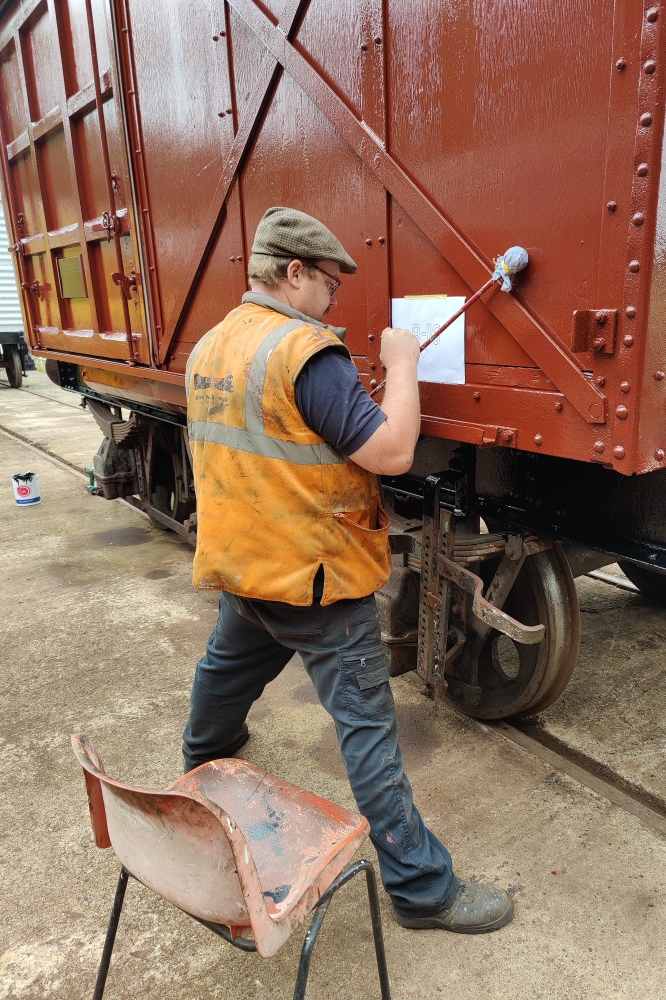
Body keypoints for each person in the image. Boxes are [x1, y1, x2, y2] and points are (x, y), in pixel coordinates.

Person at [182, 206, 513, 933]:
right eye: (329, 284)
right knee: (367, 732)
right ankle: (424, 891)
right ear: (294, 272)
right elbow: (392, 453)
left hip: (244, 565)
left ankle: (202, 763)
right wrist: (402, 366)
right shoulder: (306, 352)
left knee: (223, 674)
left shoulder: (212, 343)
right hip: (317, 579)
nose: (334, 300)